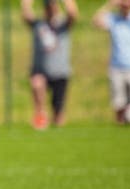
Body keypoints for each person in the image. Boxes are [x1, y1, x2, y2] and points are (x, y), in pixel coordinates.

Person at [22, 0, 78, 130]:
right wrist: (26, 4)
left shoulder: (62, 25)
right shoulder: (39, 25)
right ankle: (40, 115)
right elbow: (26, 16)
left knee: (59, 116)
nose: (50, 9)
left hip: (60, 72)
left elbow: (73, 14)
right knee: (36, 82)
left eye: (53, 6)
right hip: (41, 71)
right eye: (48, 6)